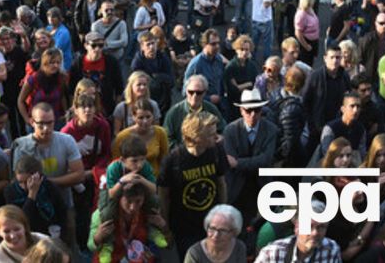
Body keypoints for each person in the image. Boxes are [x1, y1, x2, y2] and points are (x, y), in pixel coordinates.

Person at [11, 102, 85, 245]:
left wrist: (46, 182)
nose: (46, 128)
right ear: (32, 122)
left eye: (50, 123)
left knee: (68, 244)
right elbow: (18, 180)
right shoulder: (22, 146)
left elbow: (79, 175)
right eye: (41, 124)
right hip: (35, 208)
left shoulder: (66, 140)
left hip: (63, 204)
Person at [157, 112, 228, 258]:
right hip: (184, 227)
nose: (216, 137)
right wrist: (165, 228)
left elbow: (221, 184)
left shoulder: (216, 151)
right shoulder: (173, 161)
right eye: (210, 134)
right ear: (195, 137)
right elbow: (163, 196)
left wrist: (223, 214)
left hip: (211, 223)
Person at [222, 89, 277, 225]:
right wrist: (254, 163)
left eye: (257, 110)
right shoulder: (230, 130)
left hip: (262, 186)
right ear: (241, 111)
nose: (253, 115)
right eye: (248, 110)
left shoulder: (271, 129)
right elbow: (230, 162)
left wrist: (239, 163)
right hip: (237, 188)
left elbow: (266, 160)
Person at [88, 180, 169, 263]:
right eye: (128, 201)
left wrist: (164, 227)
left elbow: (169, 245)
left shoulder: (147, 212)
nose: (132, 207)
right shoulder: (101, 215)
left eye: (138, 201)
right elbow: (90, 246)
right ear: (119, 198)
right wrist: (98, 237)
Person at [254, 200, 341, 262]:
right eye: (309, 226)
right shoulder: (272, 254)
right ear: (297, 227)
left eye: (321, 227)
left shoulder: (331, 250)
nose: (315, 233)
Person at [163, 75, 226, 149]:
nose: (194, 96)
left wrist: (221, 137)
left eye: (199, 93)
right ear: (186, 91)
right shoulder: (174, 112)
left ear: (205, 93)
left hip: (208, 153)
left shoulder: (211, 109)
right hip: (182, 156)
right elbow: (167, 138)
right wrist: (185, 149)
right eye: (191, 92)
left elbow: (223, 129)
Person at [112, 99, 169, 176]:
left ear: (153, 116)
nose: (145, 121)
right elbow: (116, 163)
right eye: (141, 118)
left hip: (154, 178)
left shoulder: (160, 133)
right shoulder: (122, 136)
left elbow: (164, 160)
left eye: (148, 117)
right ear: (134, 117)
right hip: (130, 179)